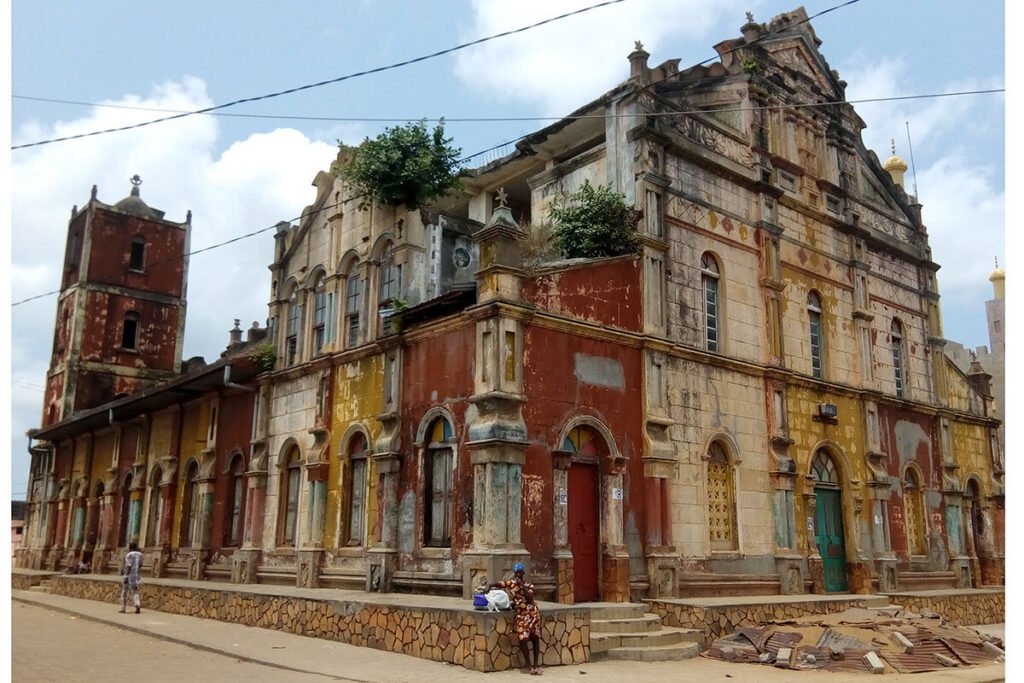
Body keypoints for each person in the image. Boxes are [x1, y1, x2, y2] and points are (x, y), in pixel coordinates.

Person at [490, 562, 542, 675]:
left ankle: (536, 664)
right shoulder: (511, 584)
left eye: (520, 573)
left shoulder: (529, 586)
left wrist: (522, 585)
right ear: (514, 574)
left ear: (523, 573)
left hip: (532, 614)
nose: (518, 575)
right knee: (523, 638)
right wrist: (488, 587)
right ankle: (529, 665)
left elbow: (529, 599)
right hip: (521, 615)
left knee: (535, 638)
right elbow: (500, 584)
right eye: (516, 573)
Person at [119, 541, 144, 614]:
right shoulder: (140, 555)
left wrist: (126, 576)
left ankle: (123, 608)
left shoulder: (129, 555)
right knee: (135, 591)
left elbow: (128, 566)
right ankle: (137, 604)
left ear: (130, 548)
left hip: (129, 575)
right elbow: (140, 565)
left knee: (124, 591)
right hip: (136, 575)